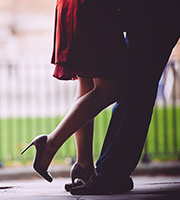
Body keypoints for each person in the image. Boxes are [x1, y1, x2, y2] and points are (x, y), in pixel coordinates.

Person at [69, 0, 180, 195]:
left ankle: (110, 173)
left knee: (135, 88)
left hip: (153, 14)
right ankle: (111, 172)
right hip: (151, 14)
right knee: (136, 88)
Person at [22, 0, 125, 190]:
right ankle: (50, 144)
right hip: (94, 9)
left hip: (73, 7)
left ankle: (84, 164)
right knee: (109, 89)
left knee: (86, 83)